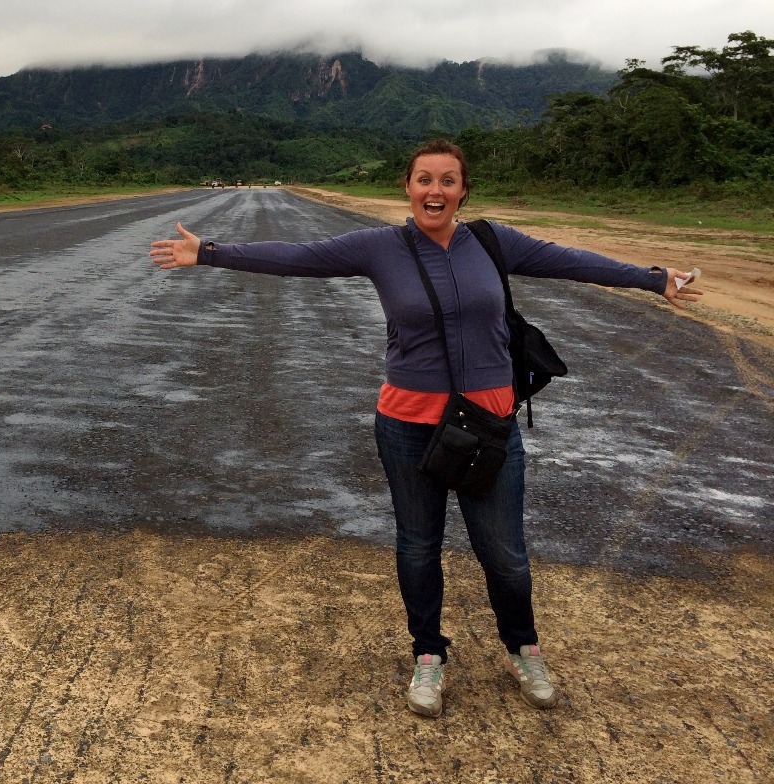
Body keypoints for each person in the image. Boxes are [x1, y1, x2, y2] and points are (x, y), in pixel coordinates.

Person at [149, 140, 702, 718]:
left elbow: (572, 261)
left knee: (506, 553)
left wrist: (653, 279)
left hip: (489, 424)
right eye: (424, 179)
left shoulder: (492, 242)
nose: (434, 191)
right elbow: (298, 256)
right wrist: (208, 252)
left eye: (447, 181)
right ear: (407, 188)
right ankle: (428, 655)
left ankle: (523, 648)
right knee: (418, 546)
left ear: (463, 191)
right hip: (408, 425)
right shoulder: (379, 247)